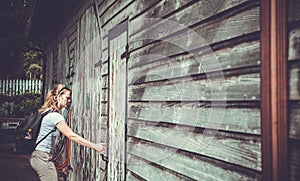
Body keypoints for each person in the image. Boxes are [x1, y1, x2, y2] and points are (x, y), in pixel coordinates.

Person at [30, 84, 105, 181]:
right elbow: (72, 136)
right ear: (58, 97)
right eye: (67, 98)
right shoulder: (55, 116)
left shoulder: (48, 112)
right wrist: (95, 146)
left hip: (43, 157)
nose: (69, 101)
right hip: (41, 158)